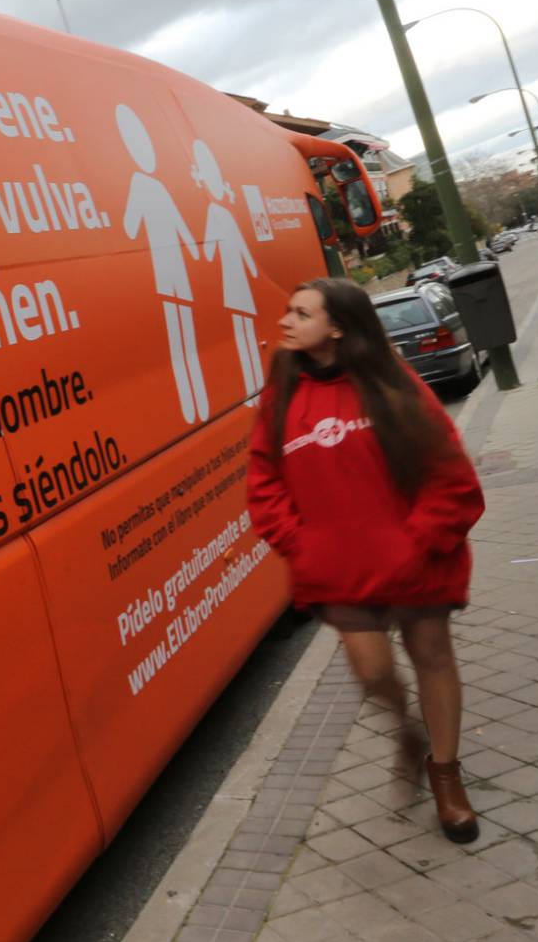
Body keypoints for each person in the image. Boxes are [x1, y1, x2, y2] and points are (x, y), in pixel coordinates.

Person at [246, 278, 487, 842]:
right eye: (288, 311)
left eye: (300, 313)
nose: (285, 321)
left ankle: (446, 777)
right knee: (373, 671)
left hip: (417, 559)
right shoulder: (281, 394)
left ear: (337, 327)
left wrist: (418, 541)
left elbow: (449, 472)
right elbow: (263, 484)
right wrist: (302, 545)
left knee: (431, 652)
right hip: (340, 571)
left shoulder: (391, 382)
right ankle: (409, 732)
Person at [117, 104, 209, 424]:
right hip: (172, 274)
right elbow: (171, 227)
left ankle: (194, 406)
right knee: (185, 342)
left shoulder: (147, 186)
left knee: (183, 342)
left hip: (170, 274)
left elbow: (140, 227)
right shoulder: (145, 186)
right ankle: (195, 405)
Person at [190, 139, 264, 405]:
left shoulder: (215, 211)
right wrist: (253, 269)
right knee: (248, 335)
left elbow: (210, 251)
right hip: (238, 283)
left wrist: (197, 254)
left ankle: (253, 387)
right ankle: (256, 384)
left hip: (232, 284)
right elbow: (243, 249)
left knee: (242, 333)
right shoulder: (221, 212)